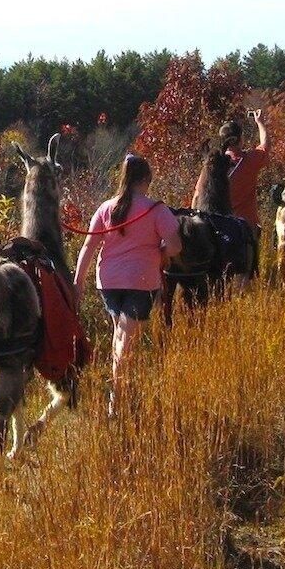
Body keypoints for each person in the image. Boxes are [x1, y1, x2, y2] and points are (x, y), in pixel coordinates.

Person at [72, 153, 182, 413]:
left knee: (120, 334)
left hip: (108, 281)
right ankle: (117, 401)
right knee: (126, 340)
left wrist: (78, 284)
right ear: (145, 180)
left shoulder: (106, 208)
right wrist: (160, 251)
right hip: (141, 281)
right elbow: (176, 247)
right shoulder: (157, 209)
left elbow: (88, 246)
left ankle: (121, 393)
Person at [220, 108, 270, 223]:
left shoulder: (213, 165)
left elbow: (198, 195)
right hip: (245, 226)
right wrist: (260, 122)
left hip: (219, 226)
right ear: (240, 139)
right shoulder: (249, 161)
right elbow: (265, 145)